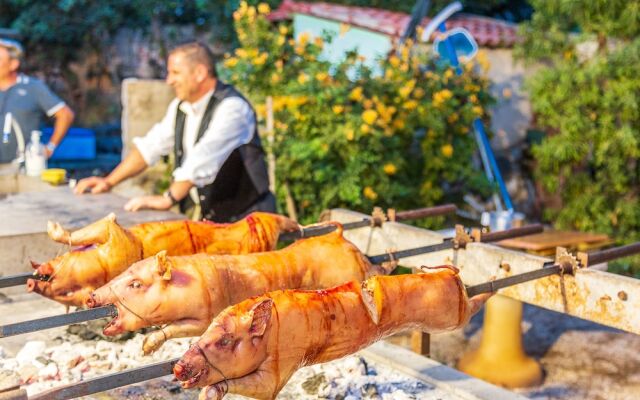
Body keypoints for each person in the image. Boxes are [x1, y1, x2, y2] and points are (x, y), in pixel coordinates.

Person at [75, 41, 276, 222]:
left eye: (175, 72)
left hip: (248, 220)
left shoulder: (233, 108)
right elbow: (150, 147)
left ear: (199, 73)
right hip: (216, 221)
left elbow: (203, 158)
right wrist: (108, 181)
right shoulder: (180, 106)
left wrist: (167, 198)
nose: (169, 80)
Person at [0, 38, 75, 164]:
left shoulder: (32, 87)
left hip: (23, 168)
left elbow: (65, 115)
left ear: (13, 64)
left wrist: (50, 147)